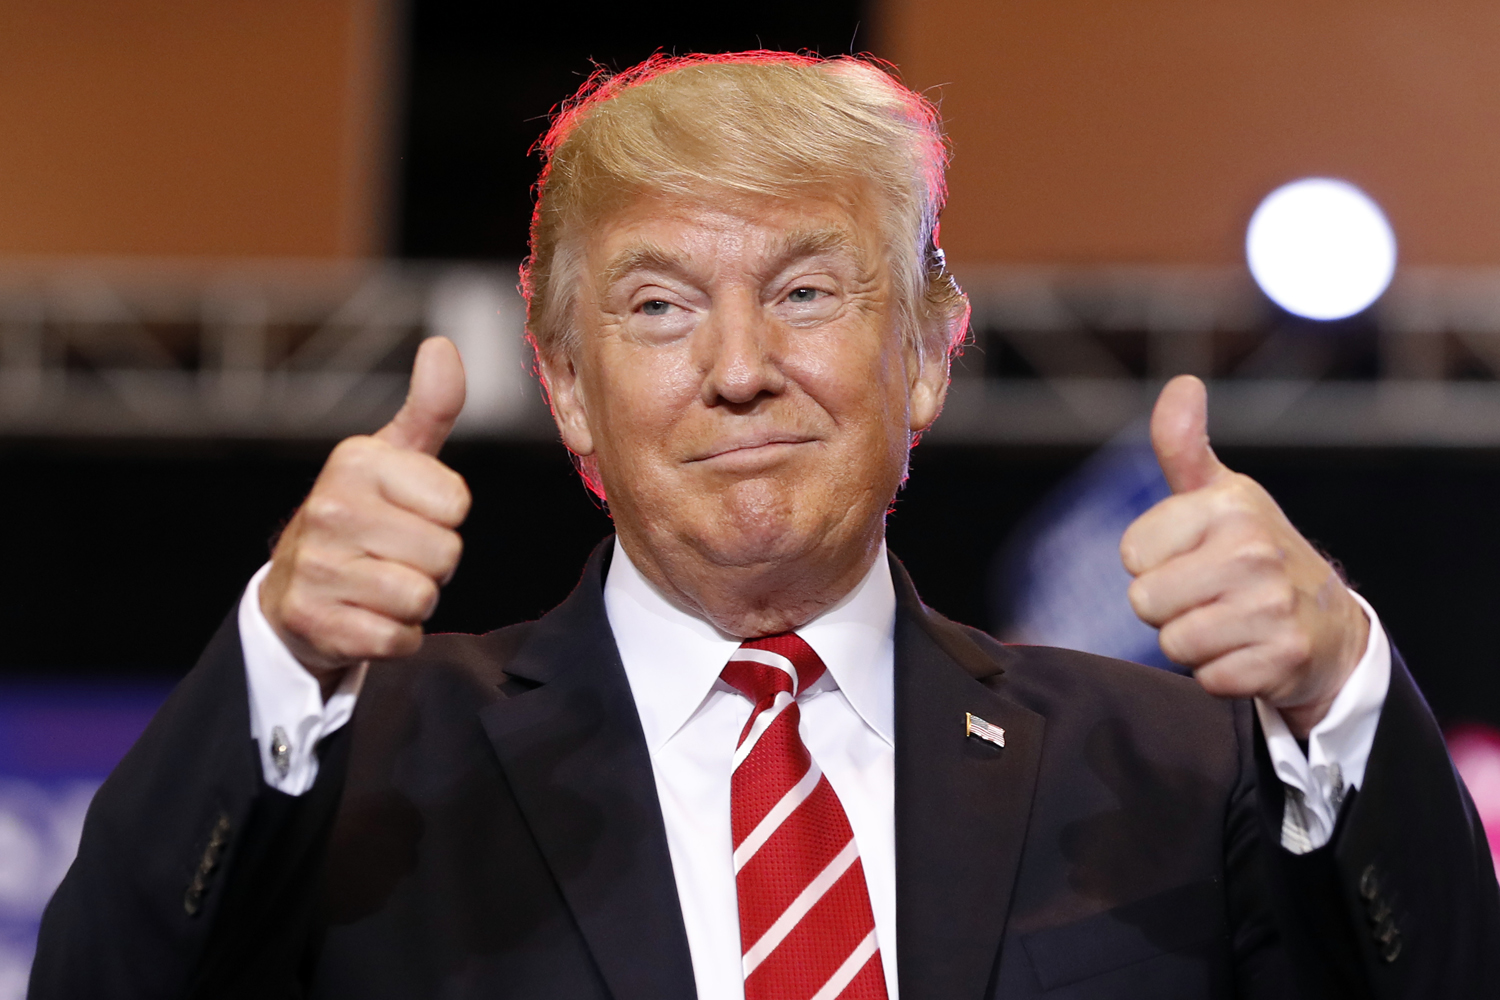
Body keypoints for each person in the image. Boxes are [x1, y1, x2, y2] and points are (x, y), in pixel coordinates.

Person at [31, 52, 1497, 999]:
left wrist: (1337, 685)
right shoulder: (367, 775)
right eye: (659, 307)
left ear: (928, 350)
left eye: (806, 290)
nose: (739, 368)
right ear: (569, 389)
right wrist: (280, 657)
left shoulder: (1172, 772)